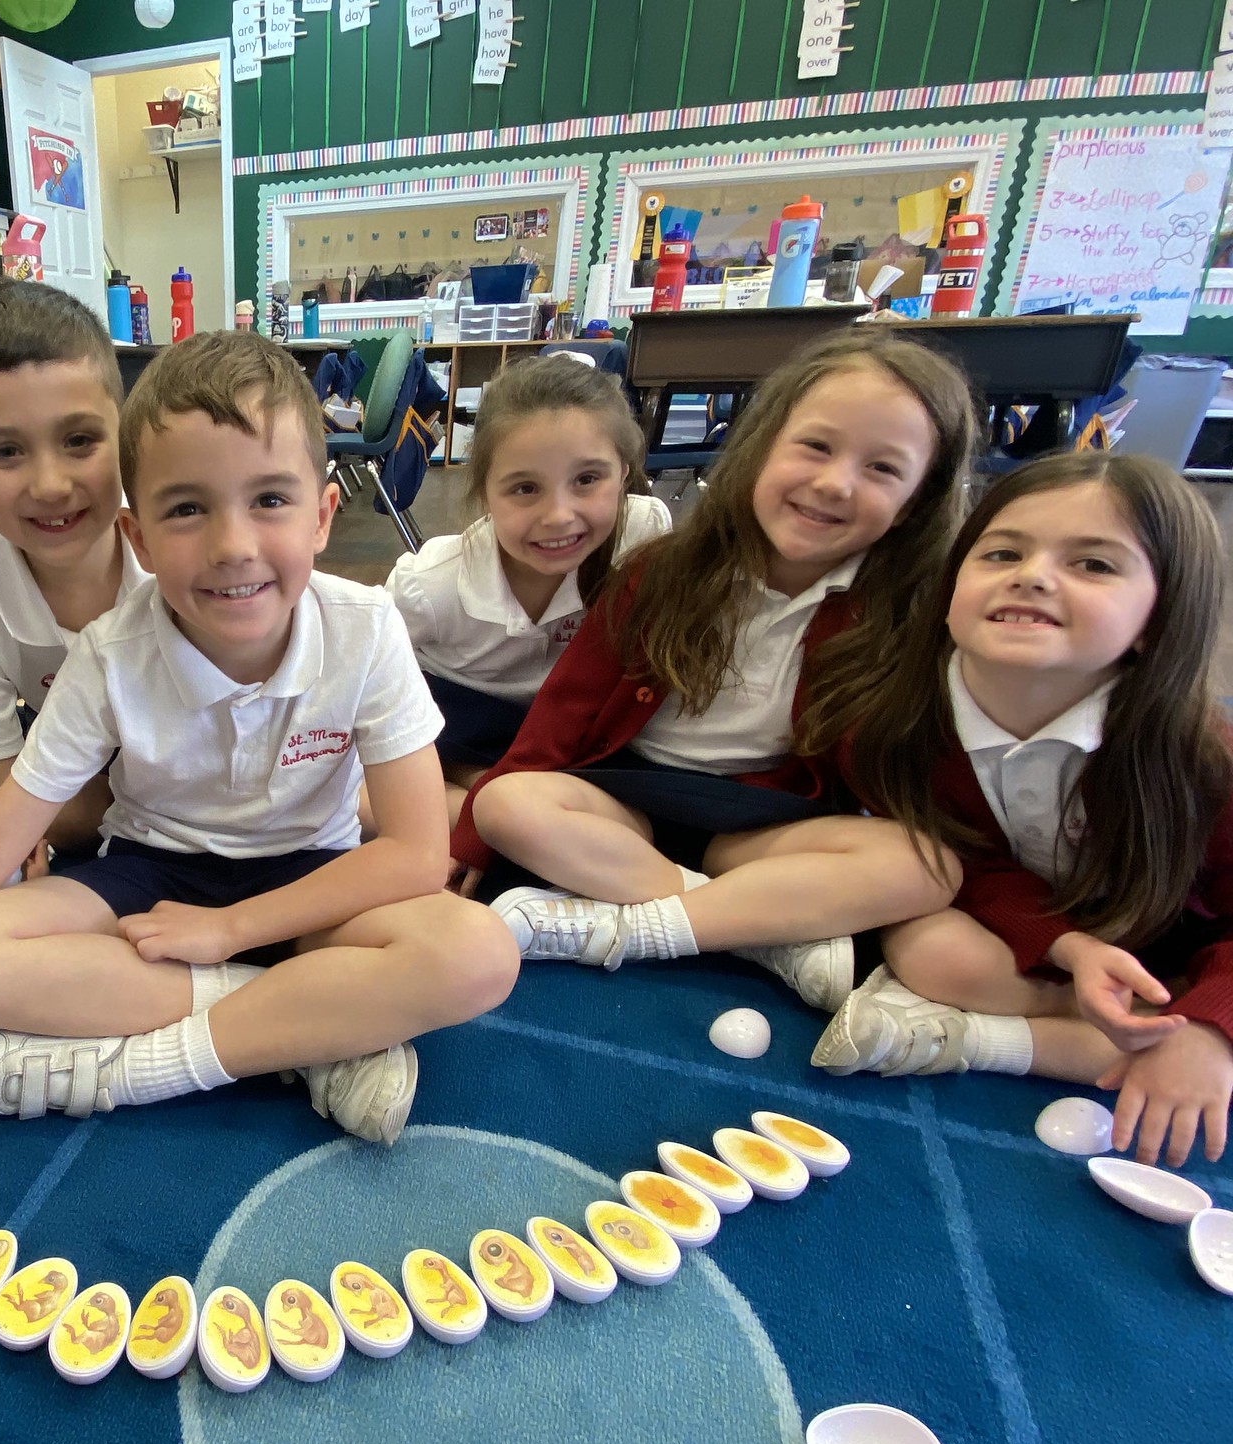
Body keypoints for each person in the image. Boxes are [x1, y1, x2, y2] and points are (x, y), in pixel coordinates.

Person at [0, 331, 519, 1143]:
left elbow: (411, 854)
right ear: (139, 536)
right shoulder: (110, 653)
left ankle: (149, 1064)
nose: (232, 546)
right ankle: (313, 1029)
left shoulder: (366, 628)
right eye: (187, 509)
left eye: (269, 500)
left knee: (480, 952)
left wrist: (229, 932)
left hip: (311, 880)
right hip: (149, 873)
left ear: (324, 514)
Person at [451, 329, 979, 1009]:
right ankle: (759, 932)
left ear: (916, 500)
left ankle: (644, 925)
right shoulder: (665, 568)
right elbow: (564, 712)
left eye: (882, 469)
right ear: (762, 445)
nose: (833, 482)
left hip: (760, 829)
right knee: (504, 802)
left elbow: (916, 779)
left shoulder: (904, 612)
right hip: (627, 810)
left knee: (928, 866)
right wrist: (474, 836)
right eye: (816, 446)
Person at [815, 455, 1233, 1169]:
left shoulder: (1203, 763)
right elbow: (968, 864)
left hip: (1171, 970)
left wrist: (1208, 1029)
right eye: (1004, 552)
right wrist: (1069, 950)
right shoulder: (891, 727)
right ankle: (1080, 1036)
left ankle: (989, 1043)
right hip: (1041, 953)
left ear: (1158, 619)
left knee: (1196, 1058)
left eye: (1095, 565)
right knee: (931, 946)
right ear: (951, 588)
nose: (1033, 575)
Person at [385, 354, 672, 822]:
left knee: (625, 817)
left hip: (568, 730)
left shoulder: (641, 537)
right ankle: (469, 790)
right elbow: (356, 670)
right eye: (524, 488)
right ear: (485, 490)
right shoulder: (430, 583)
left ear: (623, 473)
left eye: (587, 479)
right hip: (454, 718)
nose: (558, 515)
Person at [0, 280, 151, 866]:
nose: (50, 486)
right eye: (6, 452)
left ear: (125, 438)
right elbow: (5, 797)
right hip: (99, 776)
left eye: (79, 440)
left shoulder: (179, 549)